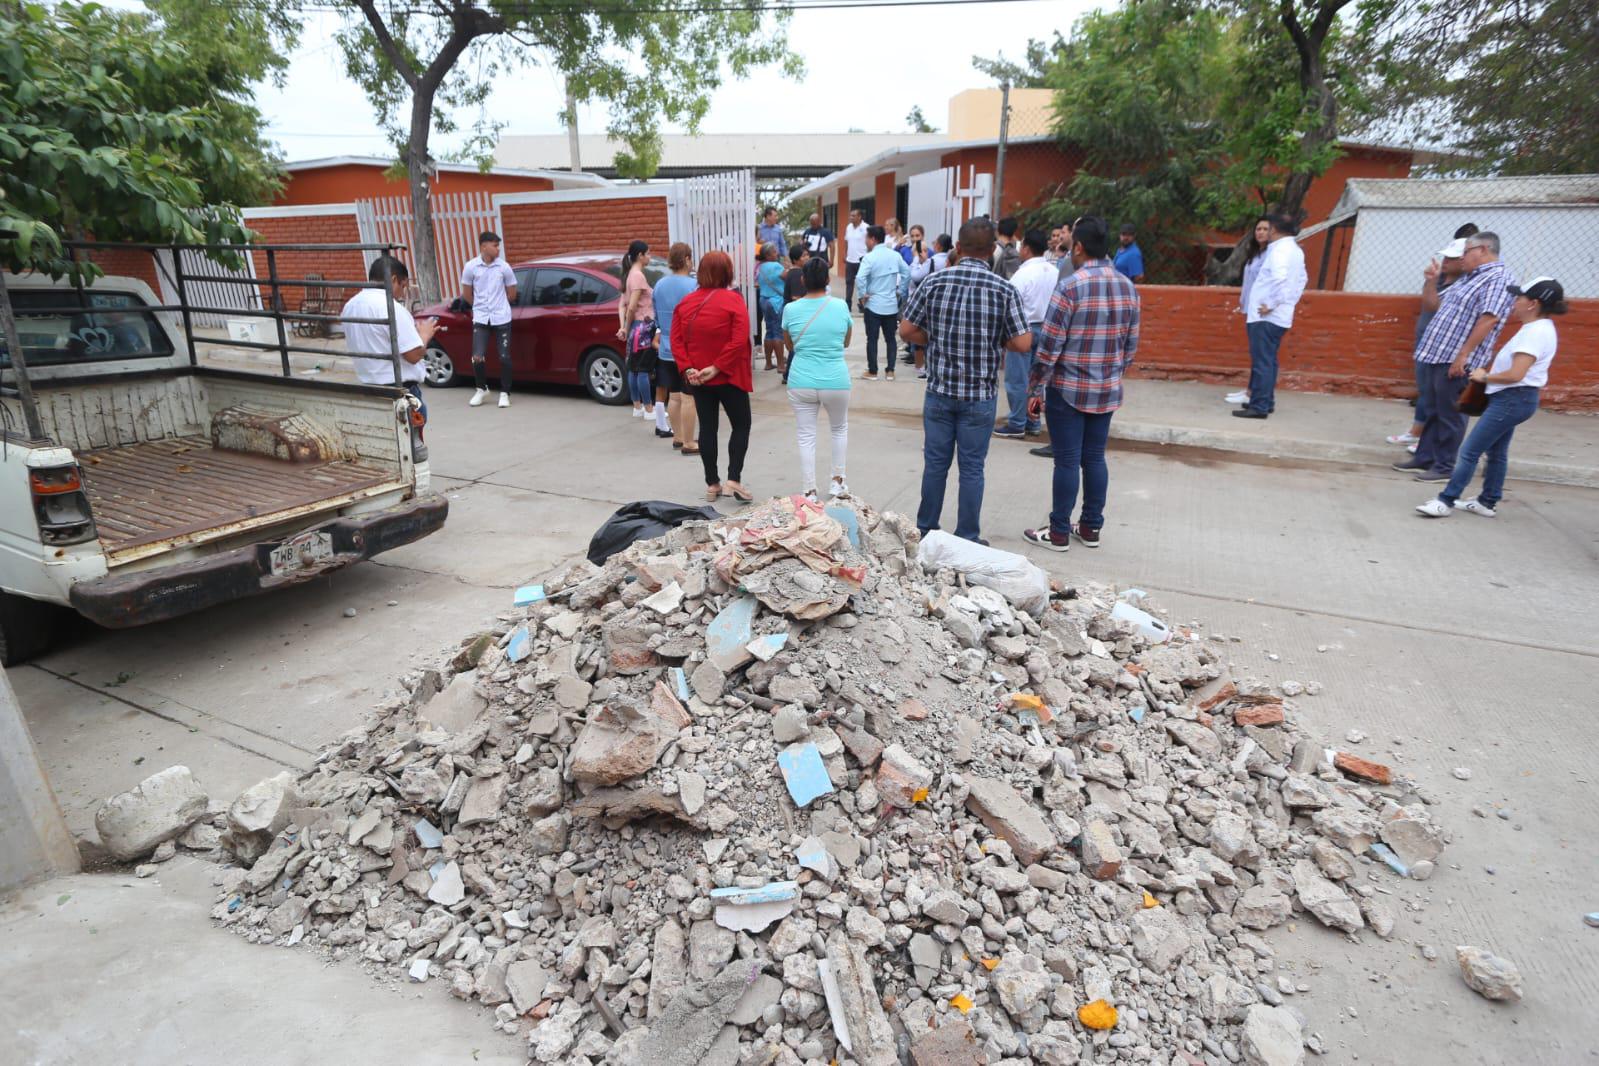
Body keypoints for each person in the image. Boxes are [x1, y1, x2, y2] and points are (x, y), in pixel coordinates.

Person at [899, 217, 1030, 544]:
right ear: (991, 252)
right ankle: (968, 536)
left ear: (957, 248)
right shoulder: (1003, 289)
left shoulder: (934, 282)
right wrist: (995, 339)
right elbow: (1023, 343)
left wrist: (936, 338)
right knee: (972, 469)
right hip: (979, 396)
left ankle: (926, 530)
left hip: (940, 391)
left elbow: (906, 330)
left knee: (935, 465)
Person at [1019, 216, 1140, 552]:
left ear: (1080, 247)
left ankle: (1058, 532)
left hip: (1068, 389)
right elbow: (1130, 346)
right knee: (1095, 458)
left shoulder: (1070, 286)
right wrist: (1112, 373)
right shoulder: (1127, 287)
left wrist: (1036, 386)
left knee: (1068, 460)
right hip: (1107, 388)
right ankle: (1090, 528)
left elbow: (1050, 346)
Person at [1417, 277, 1565, 519]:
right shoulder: (1539, 329)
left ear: (1533, 304)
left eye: (1519, 298)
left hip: (1512, 399)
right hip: (1515, 400)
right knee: (1496, 453)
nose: (1514, 302)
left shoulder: (1535, 333)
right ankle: (1487, 501)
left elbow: (1517, 373)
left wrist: (1485, 377)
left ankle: (1446, 500)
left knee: (1469, 452)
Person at [1394, 231, 1515, 482]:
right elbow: (1434, 306)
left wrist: (1463, 355)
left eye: (1466, 252)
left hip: (1457, 359)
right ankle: (1425, 457)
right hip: (1438, 354)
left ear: (1483, 250)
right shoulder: (1469, 278)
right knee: (1433, 409)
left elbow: (1489, 318)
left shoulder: (1498, 278)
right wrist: (1431, 281)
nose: (1462, 258)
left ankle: (1445, 466)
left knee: (1451, 413)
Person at [672, 251, 754, 503]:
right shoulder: (733, 300)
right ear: (727, 272)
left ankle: (712, 484)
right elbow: (739, 339)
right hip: (728, 376)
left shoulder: (685, 303)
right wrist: (717, 367)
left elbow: (675, 340)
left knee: (707, 428)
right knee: (741, 425)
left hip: (699, 379)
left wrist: (688, 369)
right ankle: (733, 479)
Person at [1388, 222, 1479, 448]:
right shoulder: (1440, 278)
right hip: (1427, 341)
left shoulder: (1466, 284)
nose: (1445, 262)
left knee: (1442, 398)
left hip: (1447, 350)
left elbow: (1438, 308)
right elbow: (1428, 305)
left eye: (1452, 258)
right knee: (1426, 389)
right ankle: (1419, 433)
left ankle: (1432, 444)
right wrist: (1430, 281)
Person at [783, 256, 854, 500]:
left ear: (803, 280)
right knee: (839, 429)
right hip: (835, 379)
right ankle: (837, 483)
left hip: (801, 379)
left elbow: (790, 345)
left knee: (806, 435)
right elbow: (846, 341)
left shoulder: (790, 310)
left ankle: (809, 490)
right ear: (827, 280)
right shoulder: (841, 307)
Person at [345, 255, 437, 431]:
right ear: (394, 279)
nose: (402, 294)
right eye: (403, 287)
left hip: (370, 388)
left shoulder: (351, 305)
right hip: (400, 391)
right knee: (410, 450)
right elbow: (413, 355)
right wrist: (425, 335)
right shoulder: (390, 307)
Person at [1234, 213, 1308, 420]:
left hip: (1265, 316)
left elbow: (1280, 279)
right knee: (1269, 360)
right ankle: (1266, 401)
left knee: (1262, 361)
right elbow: (1302, 279)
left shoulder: (1279, 251)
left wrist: (1273, 304)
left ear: (1274, 229)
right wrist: (1288, 302)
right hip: (1279, 315)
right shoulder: (1294, 250)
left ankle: (1258, 406)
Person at [997, 229, 1056, 439]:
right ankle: (1032, 421)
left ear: (1027, 249)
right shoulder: (1053, 271)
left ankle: (1017, 422)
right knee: (1037, 380)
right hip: (1047, 328)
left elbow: (1008, 304)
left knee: (1017, 379)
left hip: (1023, 329)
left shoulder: (1022, 275)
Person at [460, 230, 519, 409]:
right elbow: (467, 294)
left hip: (501, 317)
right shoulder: (471, 267)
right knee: (477, 356)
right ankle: (481, 389)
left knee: (504, 357)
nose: (498, 249)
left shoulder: (504, 267)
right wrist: (480, 307)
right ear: (484, 246)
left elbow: (512, 293)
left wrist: (499, 305)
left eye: (497, 245)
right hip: (481, 317)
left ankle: (505, 393)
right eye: (494, 245)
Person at [653, 242, 700, 455]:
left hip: (665, 347)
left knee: (674, 396)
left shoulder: (659, 284)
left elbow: (656, 317)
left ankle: (678, 437)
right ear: (687, 259)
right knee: (689, 396)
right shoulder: (692, 286)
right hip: (687, 348)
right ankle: (690, 442)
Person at [1223, 217, 1272, 407]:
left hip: (1262, 311)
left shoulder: (1271, 255)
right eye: (1258, 229)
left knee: (1260, 355)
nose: (1260, 232)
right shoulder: (1256, 253)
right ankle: (1250, 390)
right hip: (1251, 309)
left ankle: (1254, 393)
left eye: (1265, 229)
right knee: (1255, 353)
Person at [854, 225, 910, 381]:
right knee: (890, 338)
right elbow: (907, 273)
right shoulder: (895, 255)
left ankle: (873, 371)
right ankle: (890, 371)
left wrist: (861, 295)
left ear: (872, 239)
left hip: (873, 304)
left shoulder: (869, 257)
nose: (865, 241)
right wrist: (900, 291)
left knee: (872, 339)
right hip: (891, 304)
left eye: (866, 238)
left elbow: (860, 278)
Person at [617, 239, 662, 429]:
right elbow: (632, 305)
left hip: (637, 326)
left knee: (634, 368)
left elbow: (623, 304)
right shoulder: (637, 276)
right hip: (643, 326)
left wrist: (625, 327)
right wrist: (626, 328)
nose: (650, 257)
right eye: (648, 253)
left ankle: (638, 406)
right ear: (640, 256)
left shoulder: (629, 275)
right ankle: (649, 410)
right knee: (643, 369)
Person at [756, 242, 788, 374]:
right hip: (775, 301)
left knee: (769, 330)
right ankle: (781, 365)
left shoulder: (761, 267)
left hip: (763, 300)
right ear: (768, 255)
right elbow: (786, 276)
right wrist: (789, 269)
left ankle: (768, 363)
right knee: (777, 332)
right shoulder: (776, 266)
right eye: (775, 252)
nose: (777, 253)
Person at [843, 209, 868, 307]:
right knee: (849, 283)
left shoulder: (866, 227)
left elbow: (870, 241)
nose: (851, 217)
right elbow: (846, 241)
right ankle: (848, 303)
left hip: (862, 260)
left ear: (859, 217)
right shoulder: (848, 227)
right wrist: (845, 254)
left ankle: (862, 304)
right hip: (850, 260)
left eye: (853, 216)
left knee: (861, 283)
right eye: (850, 216)